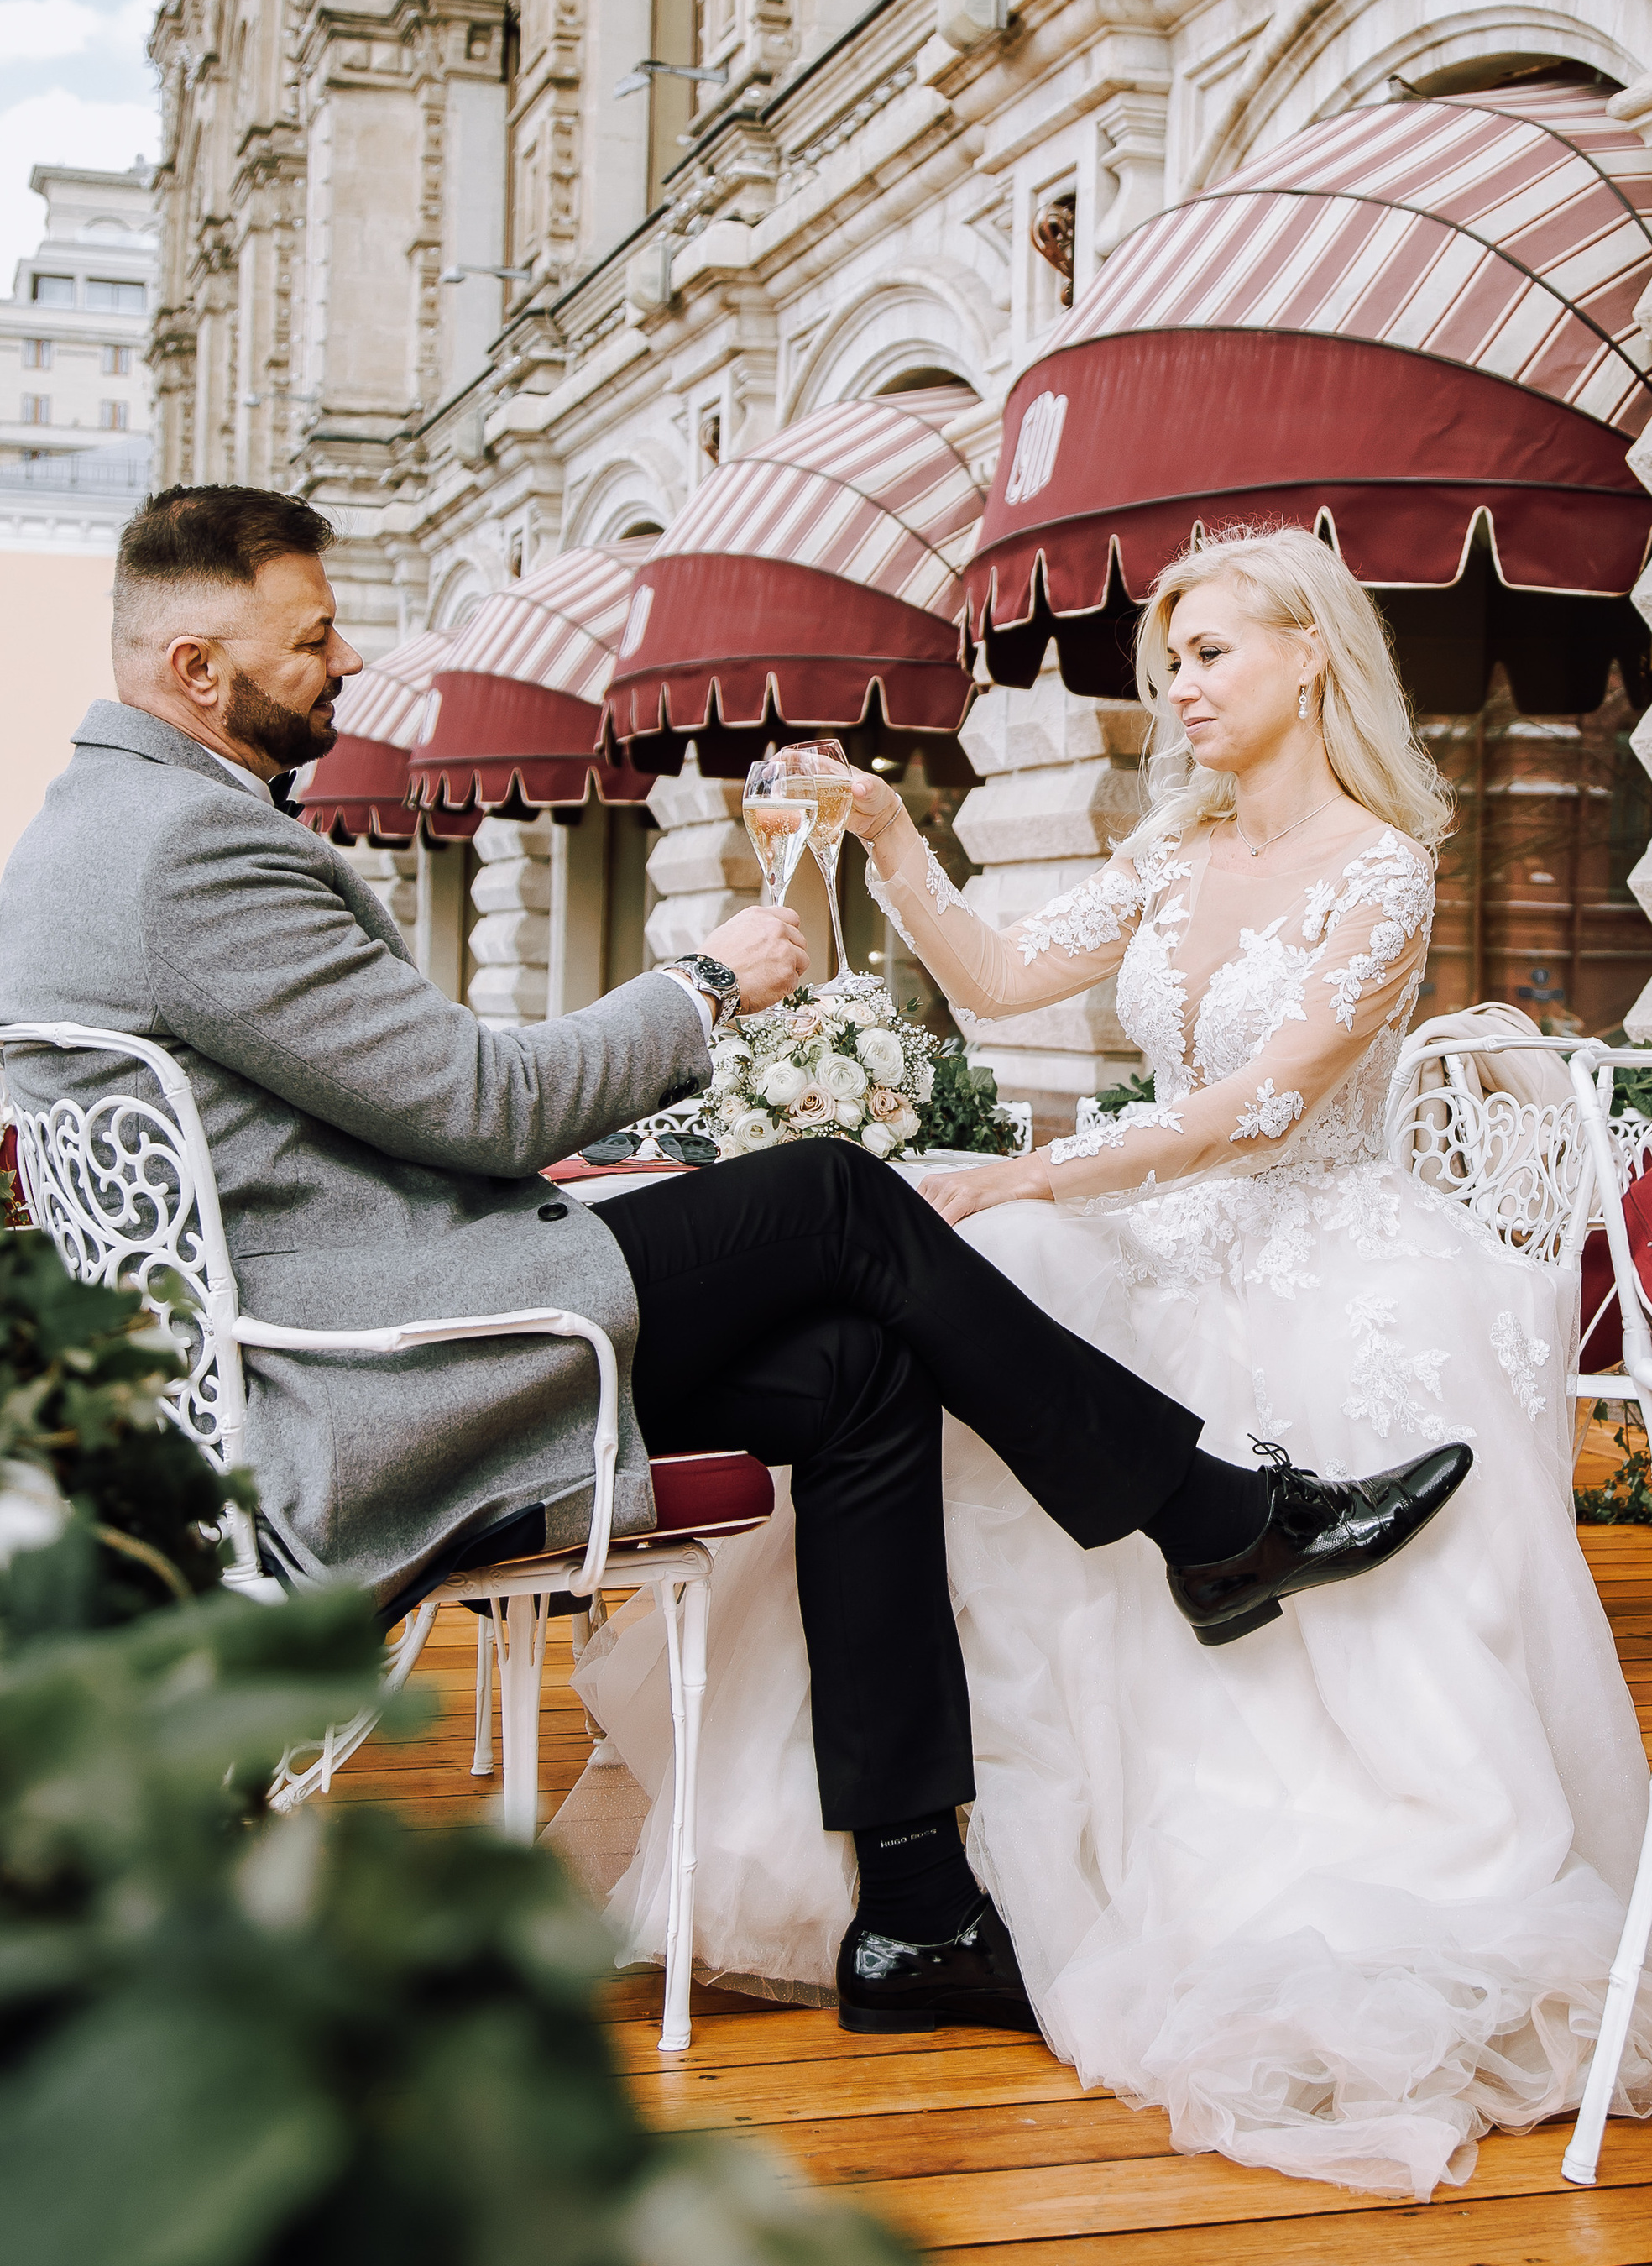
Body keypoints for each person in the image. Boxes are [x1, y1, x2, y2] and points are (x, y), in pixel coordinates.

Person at [0, 484, 1469, 2038]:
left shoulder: (91, 837)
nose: (348, 655)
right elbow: (484, 1109)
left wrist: (879, 847)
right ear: (196, 672)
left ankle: (916, 1917)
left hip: (330, 1321)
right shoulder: (199, 855)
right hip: (388, 1358)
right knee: (836, 1198)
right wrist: (704, 988)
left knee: (859, 1369)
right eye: (310, 637)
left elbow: (378, 1114)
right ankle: (1211, 1513)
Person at [570, 525, 1652, 2193]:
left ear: (1309, 658)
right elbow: (991, 977)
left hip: (1311, 1245)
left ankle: (1184, 1820)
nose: (1177, 686)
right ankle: (911, 1873)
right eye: (1169, 659)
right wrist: (893, 837)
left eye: (1209, 653)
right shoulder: (1170, 847)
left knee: (1012, 1240)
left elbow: (1255, 1105)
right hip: (1148, 1228)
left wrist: (1042, 1168)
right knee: (964, 1304)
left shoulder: (1381, 870)